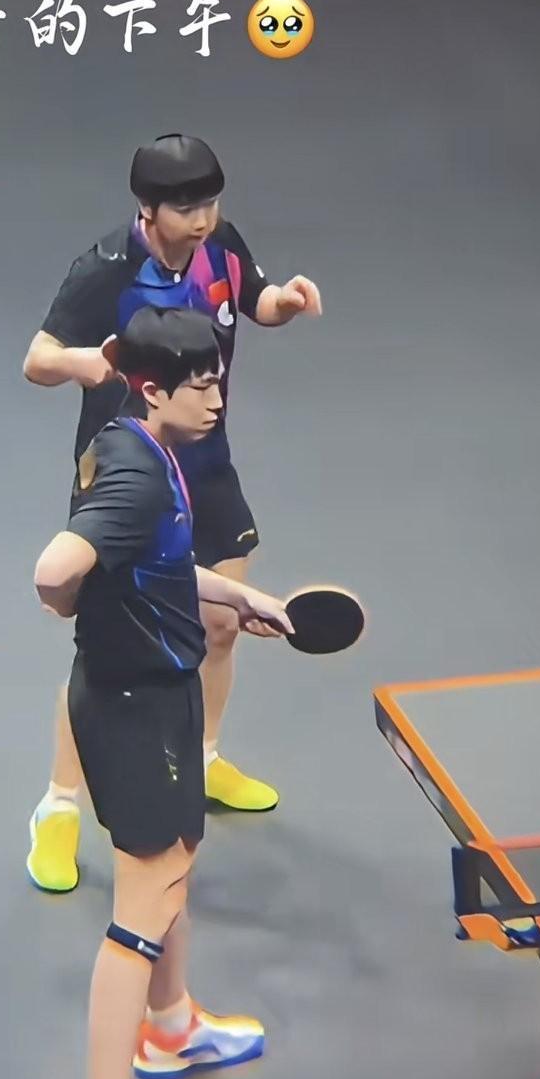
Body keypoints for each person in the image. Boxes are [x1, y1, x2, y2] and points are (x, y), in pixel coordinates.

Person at [34, 306, 293, 1079]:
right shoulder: (139, 474)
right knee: (140, 910)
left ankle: (172, 1026)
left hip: (165, 688)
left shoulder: (148, 445)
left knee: (177, 861)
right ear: (153, 389)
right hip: (132, 706)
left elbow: (153, 560)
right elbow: (55, 566)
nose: (218, 398)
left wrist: (233, 595)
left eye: (220, 380)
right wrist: (66, 602)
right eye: (202, 385)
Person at [24, 133, 321, 891]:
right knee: (106, 653)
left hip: (206, 461)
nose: (202, 218)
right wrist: (88, 364)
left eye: (209, 203)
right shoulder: (105, 269)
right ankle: (58, 807)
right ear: (147, 208)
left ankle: (206, 757)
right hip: (127, 473)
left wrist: (284, 304)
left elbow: (254, 300)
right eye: (186, 207)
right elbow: (37, 358)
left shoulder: (220, 244)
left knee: (221, 623)